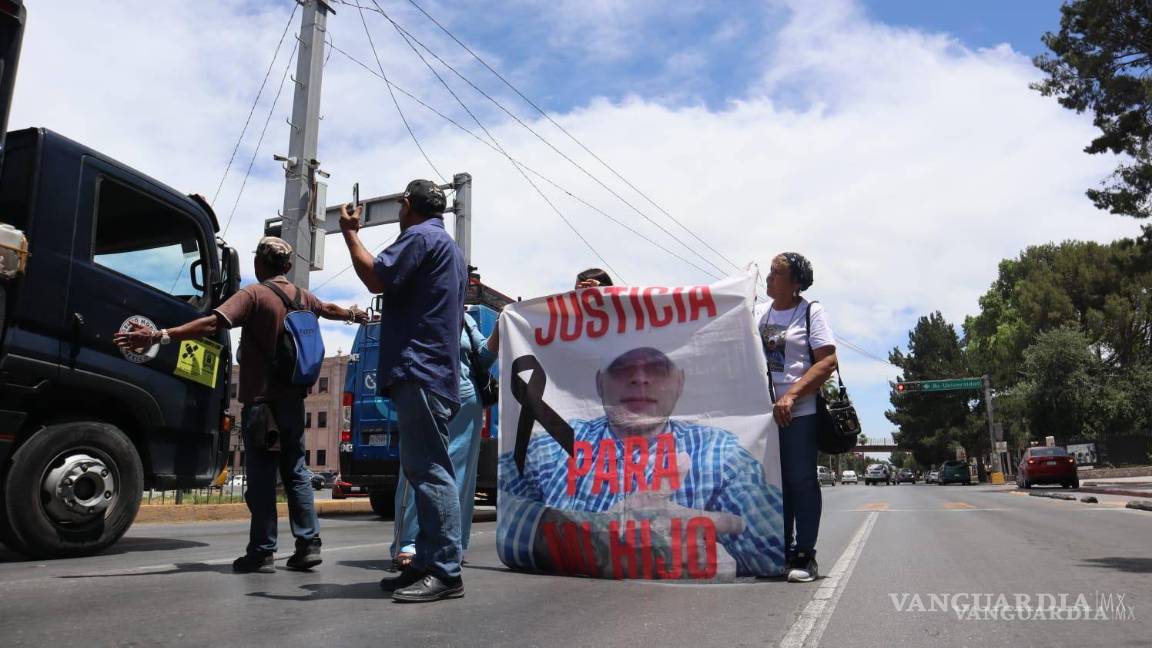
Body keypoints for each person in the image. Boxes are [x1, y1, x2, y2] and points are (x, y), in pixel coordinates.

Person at [113, 236, 366, 573]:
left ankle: (262, 551)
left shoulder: (254, 295)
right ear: (287, 268)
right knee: (297, 474)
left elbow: (213, 323)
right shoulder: (303, 297)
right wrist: (353, 313)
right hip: (293, 403)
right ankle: (308, 545)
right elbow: (330, 309)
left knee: (261, 478)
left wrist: (159, 336)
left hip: (262, 405)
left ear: (260, 264)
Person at [497, 346, 785, 579]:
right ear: (600, 382)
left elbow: (773, 546)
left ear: (679, 382)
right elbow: (503, 514)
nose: (640, 378)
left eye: (657, 367)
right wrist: (606, 536)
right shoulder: (553, 447)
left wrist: (574, 538)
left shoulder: (719, 452)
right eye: (622, 367)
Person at [339, 179, 469, 603]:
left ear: (406, 205)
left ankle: (446, 571)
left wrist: (350, 233)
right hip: (433, 371)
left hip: (419, 368)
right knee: (423, 471)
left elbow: (376, 277)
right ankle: (430, 564)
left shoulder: (419, 237)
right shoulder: (449, 248)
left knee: (430, 471)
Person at [752, 252, 837, 583]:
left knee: (800, 481)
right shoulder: (760, 313)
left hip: (800, 411)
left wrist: (790, 396)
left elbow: (827, 362)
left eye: (777, 273)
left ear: (795, 283)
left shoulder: (811, 313)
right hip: (766, 415)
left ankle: (805, 555)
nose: (770, 278)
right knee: (774, 484)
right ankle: (780, 550)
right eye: (769, 272)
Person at [391, 311, 496, 570]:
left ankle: (452, 546)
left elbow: (484, 356)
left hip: (465, 400)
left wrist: (501, 329)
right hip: (426, 390)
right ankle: (409, 543)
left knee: (460, 476)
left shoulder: (466, 317)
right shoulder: (417, 301)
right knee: (418, 469)